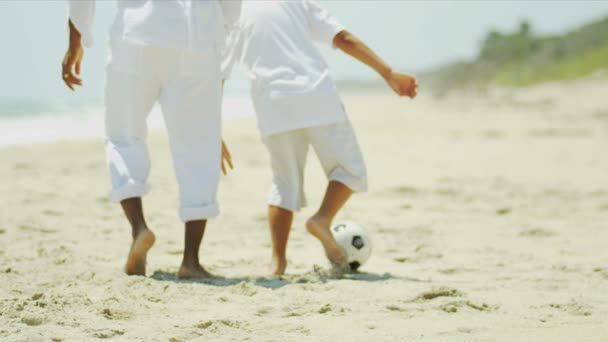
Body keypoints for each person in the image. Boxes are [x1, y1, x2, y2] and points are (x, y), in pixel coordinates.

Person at [222, 0, 418, 275]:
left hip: (273, 102)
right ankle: (322, 218)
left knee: (284, 184)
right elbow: (344, 38)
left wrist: (212, 129)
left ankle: (277, 262)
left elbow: (219, 73)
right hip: (316, 95)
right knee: (350, 171)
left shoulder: (234, 12)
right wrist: (387, 73)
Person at [62, 0, 240, 278]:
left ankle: (139, 228)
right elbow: (231, 9)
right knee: (199, 146)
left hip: (136, 33)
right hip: (199, 34)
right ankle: (191, 261)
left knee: (123, 135)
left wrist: (76, 40)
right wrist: (218, 35)